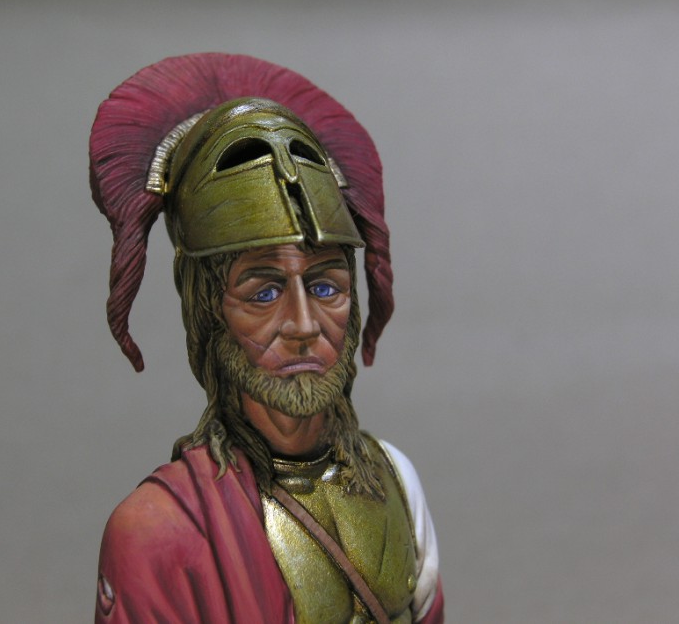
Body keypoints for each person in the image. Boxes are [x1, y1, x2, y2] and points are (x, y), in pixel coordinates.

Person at [89, 53, 444, 623]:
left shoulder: (396, 481)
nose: (303, 325)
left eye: (326, 287)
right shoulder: (159, 532)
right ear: (209, 313)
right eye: (263, 292)